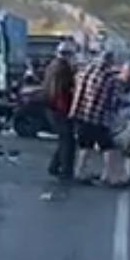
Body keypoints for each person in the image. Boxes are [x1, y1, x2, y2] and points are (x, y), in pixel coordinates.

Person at [70, 51, 124, 186]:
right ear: (110, 62)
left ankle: (79, 172)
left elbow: (77, 94)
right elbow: (113, 102)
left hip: (83, 115)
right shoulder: (111, 79)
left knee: (85, 145)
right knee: (108, 147)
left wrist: (74, 112)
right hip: (100, 118)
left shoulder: (84, 73)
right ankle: (109, 176)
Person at [42, 41, 77, 182]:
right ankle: (66, 171)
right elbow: (62, 92)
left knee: (64, 140)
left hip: (51, 107)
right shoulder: (63, 69)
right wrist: (68, 112)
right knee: (68, 141)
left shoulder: (52, 66)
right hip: (59, 108)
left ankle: (54, 166)